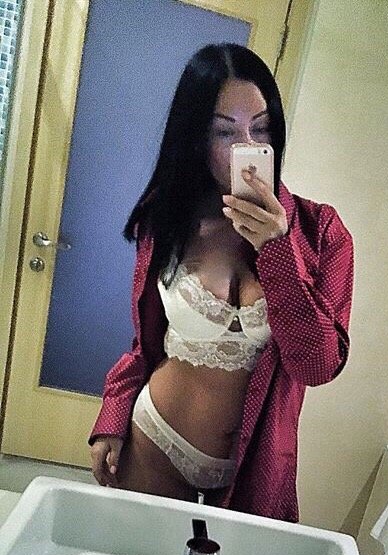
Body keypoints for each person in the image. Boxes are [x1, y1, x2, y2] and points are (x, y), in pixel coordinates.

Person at [88, 43, 353, 522]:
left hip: (254, 468)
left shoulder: (322, 233)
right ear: (195, 137)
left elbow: (317, 365)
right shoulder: (165, 218)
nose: (245, 147)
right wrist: (114, 413)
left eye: (261, 128)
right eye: (224, 131)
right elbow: (146, 343)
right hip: (156, 440)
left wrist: (277, 248)